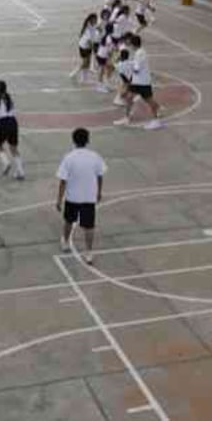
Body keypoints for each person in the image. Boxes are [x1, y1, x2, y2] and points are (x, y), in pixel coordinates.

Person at [56, 127, 106, 264]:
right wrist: (99, 192)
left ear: (73, 141)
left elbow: (63, 180)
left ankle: (65, 242)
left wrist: (59, 200)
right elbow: (100, 175)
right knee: (89, 226)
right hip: (89, 197)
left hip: (73, 196)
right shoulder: (95, 156)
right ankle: (89, 252)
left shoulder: (69, 158)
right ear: (87, 140)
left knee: (69, 221)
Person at [114, 34, 163, 130]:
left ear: (133, 44)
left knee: (149, 101)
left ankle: (156, 120)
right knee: (130, 98)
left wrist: (127, 65)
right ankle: (127, 118)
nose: (129, 45)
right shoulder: (140, 52)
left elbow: (137, 69)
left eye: (130, 43)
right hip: (139, 81)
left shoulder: (139, 54)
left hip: (141, 82)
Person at [0, 80, 25, 180]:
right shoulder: (9, 98)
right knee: (14, 148)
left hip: (2, 123)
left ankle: (6, 162)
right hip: (13, 122)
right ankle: (20, 171)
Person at [69, 13, 99, 83]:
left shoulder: (92, 25)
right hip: (84, 47)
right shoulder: (88, 27)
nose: (96, 20)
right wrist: (93, 48)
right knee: (85, 63)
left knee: (87, 63)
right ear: (91, 19)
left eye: (96, 19)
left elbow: (94, 31)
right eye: (95, 19)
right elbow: (89, 40)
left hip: (87, 46)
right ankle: (74, 73)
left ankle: (84, 79)